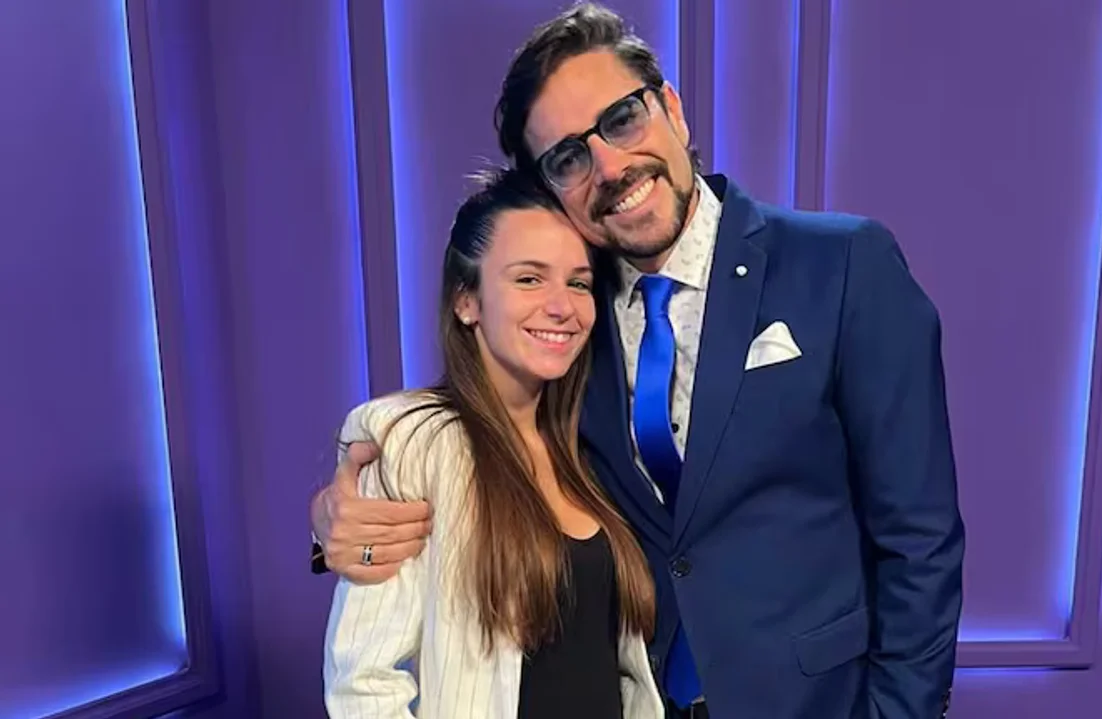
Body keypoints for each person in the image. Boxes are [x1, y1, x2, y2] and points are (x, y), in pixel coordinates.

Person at [313, 4, 965, 717]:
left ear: (671, 110)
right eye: (568, 157)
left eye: (622, 119)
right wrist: (334, 521)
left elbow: (920, 537)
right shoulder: (565, 315)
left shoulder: (841, 263)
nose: (610, 166)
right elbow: (474, 446)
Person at [322, 167, 665, 719]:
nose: (562, 306)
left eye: (578, 283)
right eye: (529, 279)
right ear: (467, 301)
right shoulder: (413, 439)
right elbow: (362, 684)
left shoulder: (589, 441)